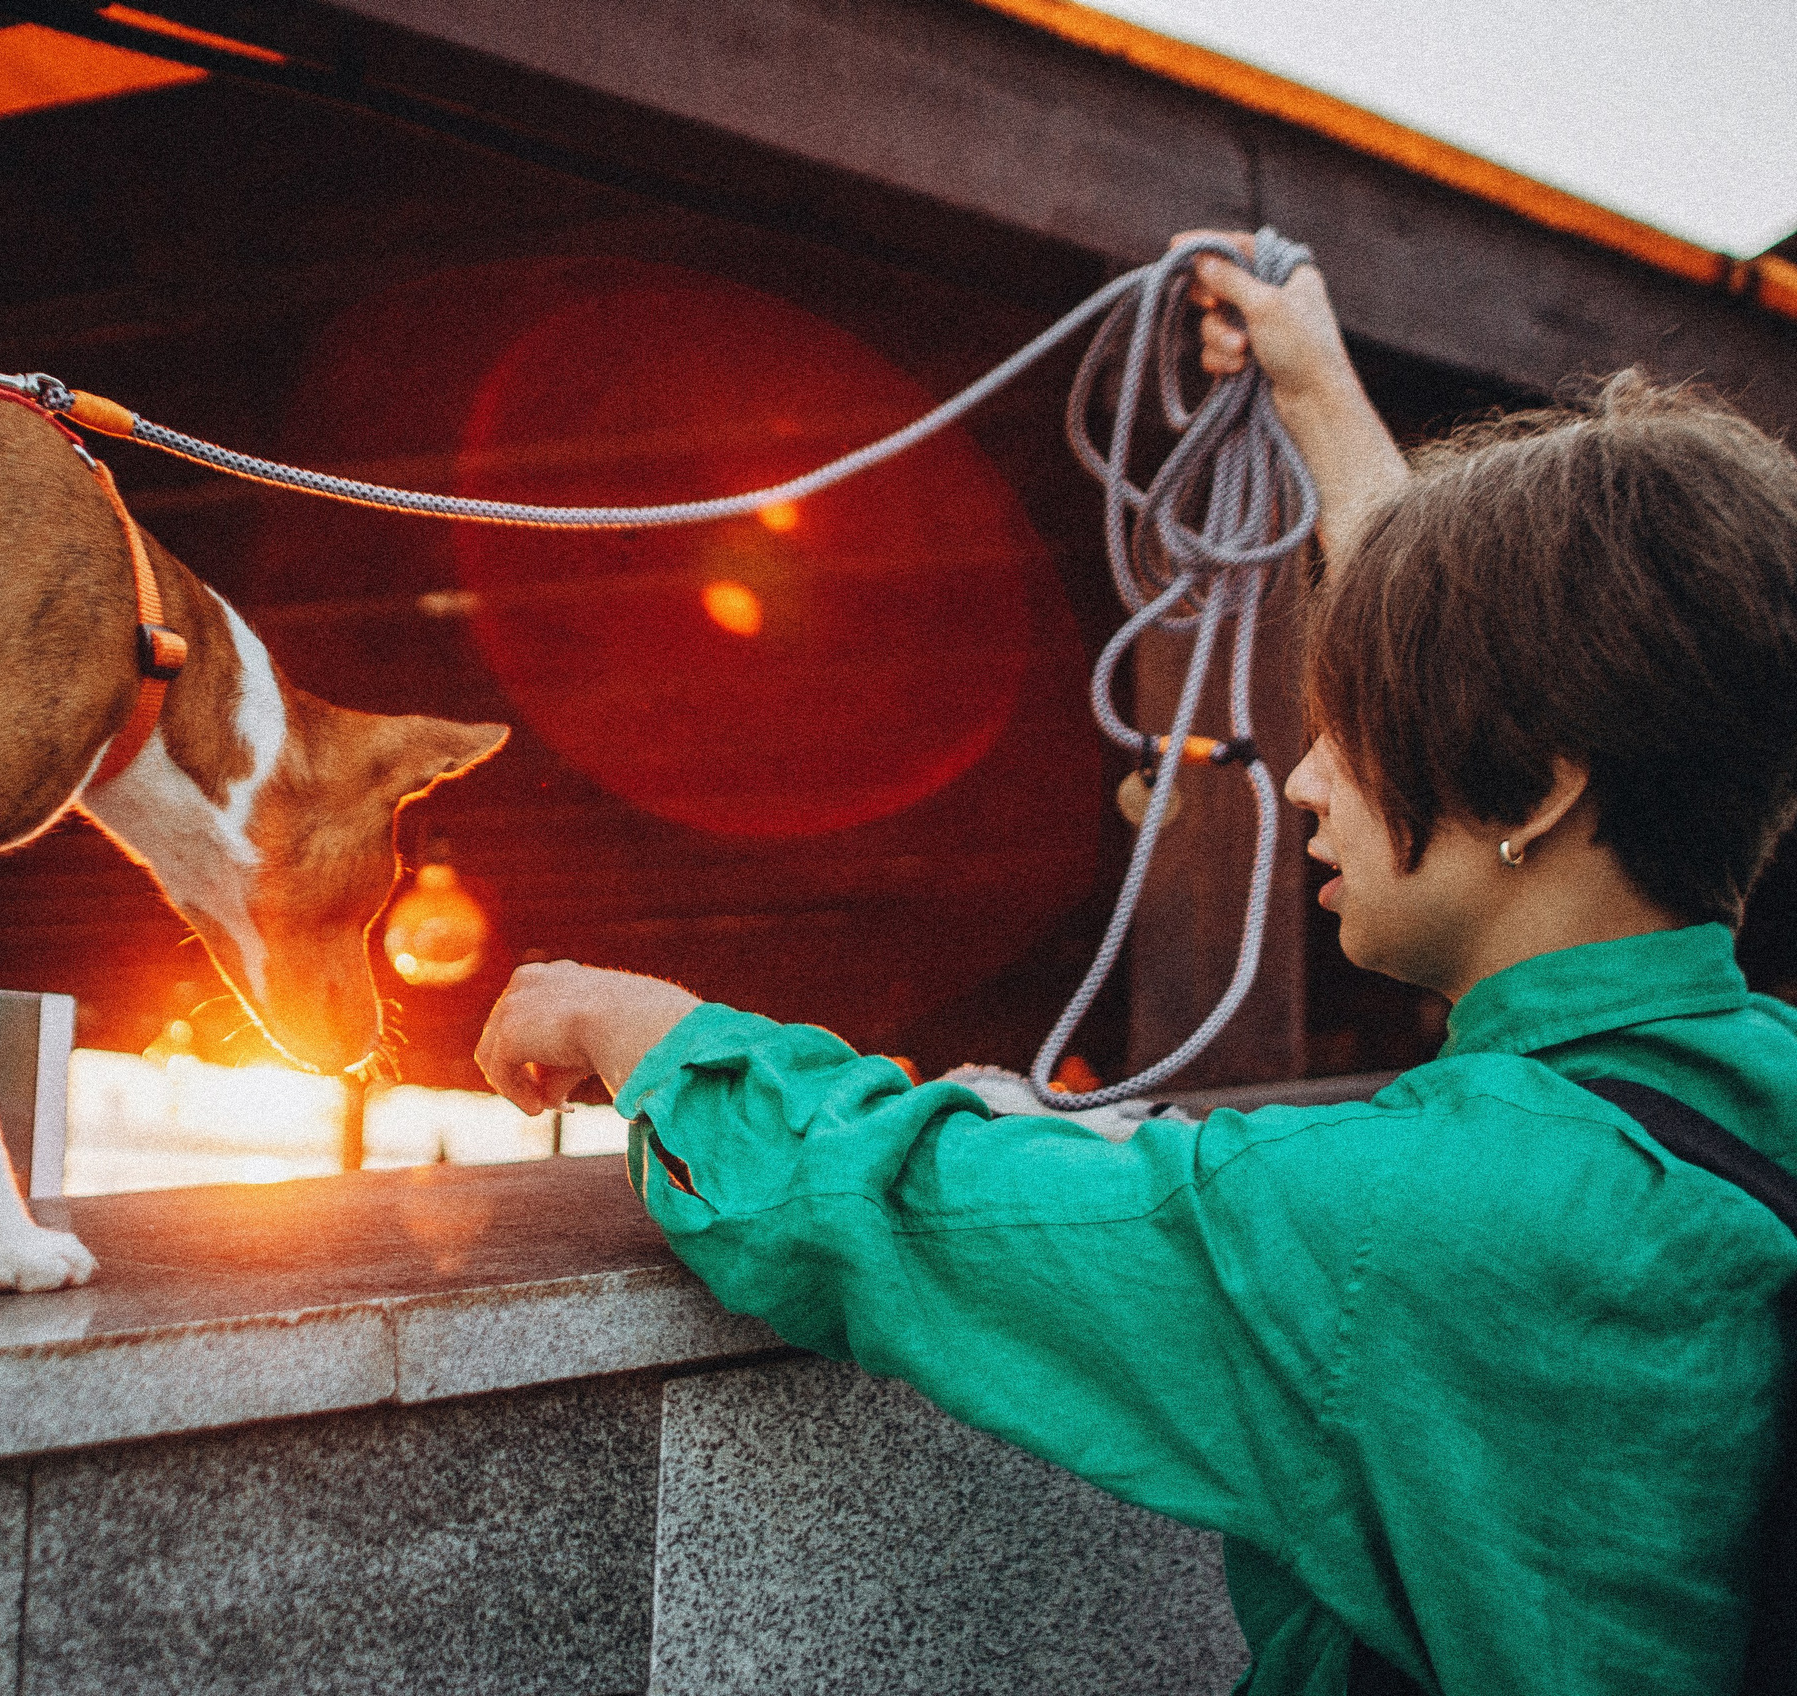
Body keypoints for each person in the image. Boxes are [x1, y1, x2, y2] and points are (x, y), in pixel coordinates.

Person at [475, 234, 1797, 1694]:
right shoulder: (1750, 1099)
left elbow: (910, 1211)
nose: (1301, 784)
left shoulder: (1406, 1229)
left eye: (1351, 731)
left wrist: (655, 1034)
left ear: (1539, 792)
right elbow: (1502, 676)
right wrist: (1317, 392)